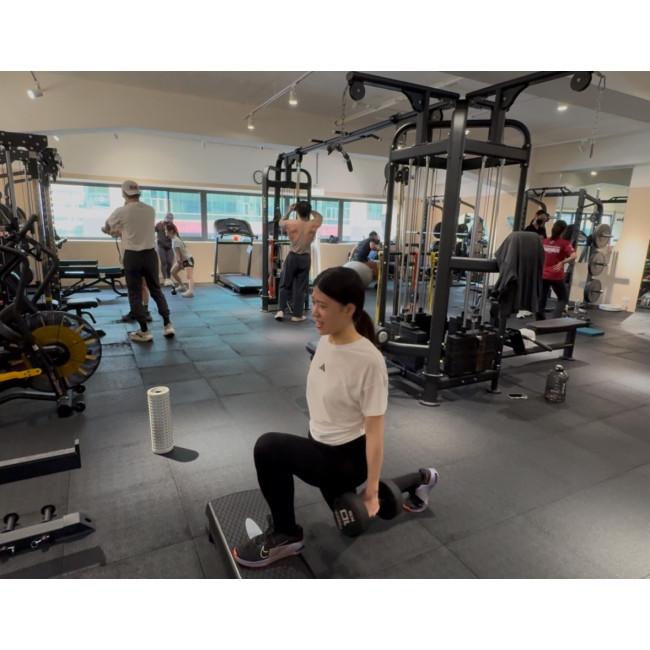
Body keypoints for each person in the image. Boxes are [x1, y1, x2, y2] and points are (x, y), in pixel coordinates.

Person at [233, 266, 439, 568]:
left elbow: (375, 433)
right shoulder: (326, 339)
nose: (314, 311)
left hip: (343, 460)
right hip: (321, 446)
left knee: (268, 448)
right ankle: (423, 478)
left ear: (349, 309)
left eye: (323, 305)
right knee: (349, 517)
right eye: (314, 302)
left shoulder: (369, 362)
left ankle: (287, 535)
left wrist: (371, 490)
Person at [102, 180, 175, 342]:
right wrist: (122, 231)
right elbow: (138, 229)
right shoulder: (150, 209)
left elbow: (107, 226)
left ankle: (144, 331)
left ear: (124, 194)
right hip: (150, 255)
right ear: (138, 193)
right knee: (156, 290)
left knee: (134, 293)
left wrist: (109, 231)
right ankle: (168, 324)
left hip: (133, 256)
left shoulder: (121, 211)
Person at [274, 200, 323, 322]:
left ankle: (280, 310)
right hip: (305, 258)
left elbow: (280, 222)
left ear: (298, 212)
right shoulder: (313, 224)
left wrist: (290, 210)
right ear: (308, 212)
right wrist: (308, 210)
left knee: (284, 284)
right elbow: (319, 216)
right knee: (300, 288)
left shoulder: (291, 223)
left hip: (293, 256)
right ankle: (297, 315)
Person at [536, 220, 577, 320]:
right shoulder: (564, 243)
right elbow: (574, 256)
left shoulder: (544, 241)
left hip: (543, 274)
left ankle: (539, 321)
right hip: (555, 275)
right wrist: (562, 262)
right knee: (563, 298)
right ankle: (555, 321)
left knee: (541, 298)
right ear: (564, 231)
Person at [165, 222, 195, 297]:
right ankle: (182, 286)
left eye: (166, 230)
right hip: (182, 260)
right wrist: (178, 262)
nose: (165, 231)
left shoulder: (176, 240)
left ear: (171, 231)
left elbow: (180, 253)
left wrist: (181, 263)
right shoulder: (173, 239)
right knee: (173, 272)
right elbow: (176, 253)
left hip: (188, 259)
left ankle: (190, 292)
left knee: (189, 276)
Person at [155, 212, 175, 286]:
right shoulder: (159, 225)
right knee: (163, 262)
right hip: (161, 246)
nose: (168, 222)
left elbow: (176, 235)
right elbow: (152, 231)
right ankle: (165, 279)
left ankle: (169, 278)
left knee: (169, 262)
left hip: (170, 246)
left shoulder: (173, 226)